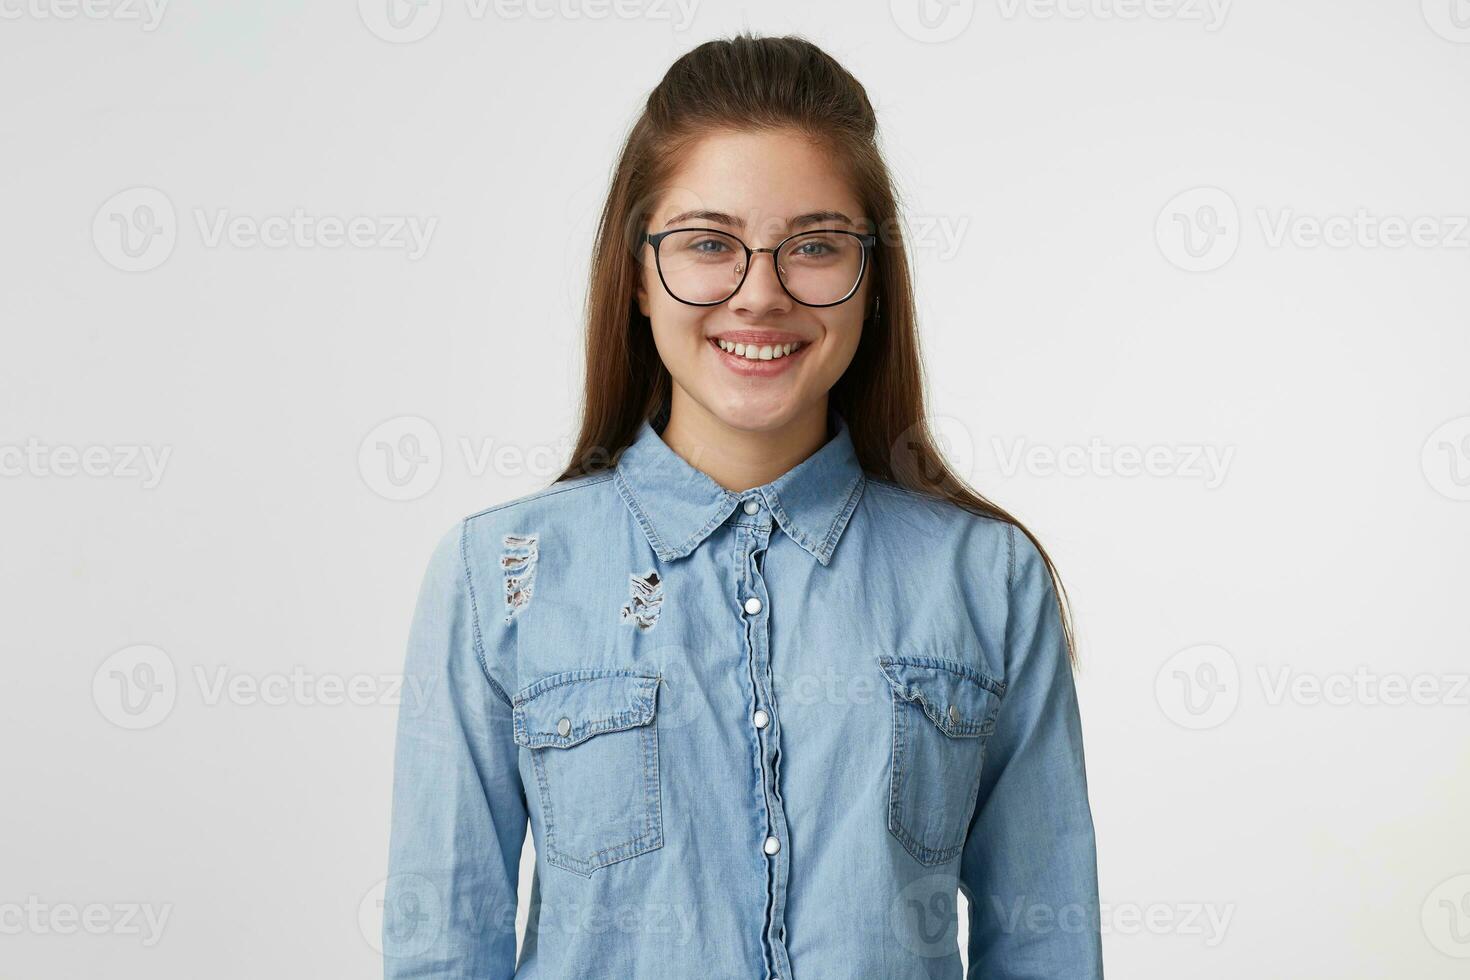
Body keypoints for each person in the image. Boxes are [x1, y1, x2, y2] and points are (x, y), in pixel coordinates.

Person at [383, 32, 1102, 979]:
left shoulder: (986, 579)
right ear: (637, 275)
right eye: (708, 244)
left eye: (813, 246)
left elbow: (1046, 947)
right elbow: (443, 949)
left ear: (872, 281)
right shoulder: (499, 576)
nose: (758, 295)